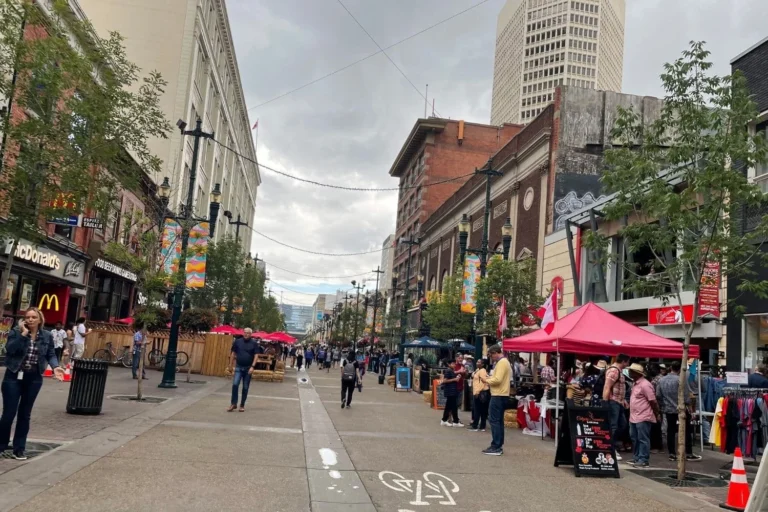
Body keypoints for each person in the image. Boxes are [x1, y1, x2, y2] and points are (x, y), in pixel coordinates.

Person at [0, 308, 64, 460]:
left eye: (34, 317)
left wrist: (55, 367)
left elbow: (50, 353)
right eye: (27, 317)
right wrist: (22, 335)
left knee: (25, 414)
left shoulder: (47, 335)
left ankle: (19, 449)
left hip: (33, 378)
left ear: (40, 320)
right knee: (8, 413)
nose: (30, 320)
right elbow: (9, 350)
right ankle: (1, 445)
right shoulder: (16, 332)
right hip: (13, 376)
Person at [656, 360, 702, 461]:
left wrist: (663, 404)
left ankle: (672, 453)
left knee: (670, 431)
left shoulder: (662, 380)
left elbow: (658, 395)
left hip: (668, 408)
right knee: (686, 430)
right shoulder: (680, 380)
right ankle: (688, 452)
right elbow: (686, 396)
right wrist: (689, 407)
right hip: (680, 408)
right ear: (680, 369)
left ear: (671, 368)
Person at [479, 344, 511, 456]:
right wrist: (489, 378)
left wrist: (486, 380)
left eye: (491, 355)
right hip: (501, 394)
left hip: (498, 394)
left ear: (495, 353)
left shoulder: (502, 363)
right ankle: (497, 444)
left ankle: (496, 445)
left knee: (494, 420)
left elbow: (497, 380)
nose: (491, 358)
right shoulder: (504, 362)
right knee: (498, 421)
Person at [628, 363, 661, 467]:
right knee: (635, 437)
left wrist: (656, 413)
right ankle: (637, 457)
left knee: (642, 438)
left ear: (636, 373)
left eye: (631, 371)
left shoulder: (645, 384)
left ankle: (643, 459)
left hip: (643, 416)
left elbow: (653, 401)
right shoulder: (636, 383)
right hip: (634, 416)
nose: (629, 372)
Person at [602, 354, 630, 461]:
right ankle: (610, 448)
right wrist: (605, 402)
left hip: (618, 402)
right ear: (624, 361)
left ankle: (611, 446)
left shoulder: (618, 371)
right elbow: (607, 386)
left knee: (621, 425)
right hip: (613, 402)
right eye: (627, 362)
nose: (628, 364)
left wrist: (623, 401)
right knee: (614, 426)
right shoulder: (614, 371)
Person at [227, 328, 259, 412]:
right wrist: (230, 365)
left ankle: (242, 405)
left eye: (248, 333)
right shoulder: (238, 341)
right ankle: (233, 403)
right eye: (245, 332)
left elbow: (256, 355)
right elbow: (233, 353)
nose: (246, 334)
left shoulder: (254, 343)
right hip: (238, 367)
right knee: (235, 384)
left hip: (248, 368)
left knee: (245, 387)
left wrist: (253, 366)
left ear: (251, 334)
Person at [468, 358, 490, 432]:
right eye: (477, 361)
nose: (477, 363)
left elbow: (482, 382)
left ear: (483, 364)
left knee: (478, 410)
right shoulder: (478, 370)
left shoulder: (482, 371)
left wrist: (477, 392)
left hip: (481, 392)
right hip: (478, 391)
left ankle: (475, 425)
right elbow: (473, 375)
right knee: (481, 410)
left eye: (479, 362)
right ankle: (482, 426)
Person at [440, 360, 463, 427]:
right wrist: (454, 379)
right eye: (452, 364)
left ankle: (444, 420)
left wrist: (457, 377)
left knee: (449, 406)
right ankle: (455, 421)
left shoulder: (451, 371)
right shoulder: (448, 370)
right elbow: (445, 381)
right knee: (453, 406)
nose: (454, 365)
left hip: (452, 391)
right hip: (450, 391)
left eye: (454, 364)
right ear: (448, 364)